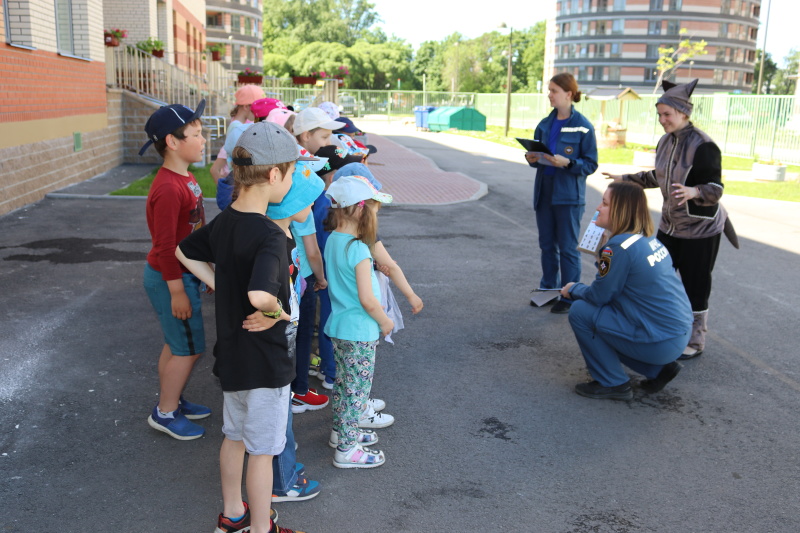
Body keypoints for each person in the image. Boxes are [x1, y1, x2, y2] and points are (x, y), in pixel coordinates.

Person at [176, 121, 310, 533]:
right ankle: (260, 527)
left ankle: (232, 515)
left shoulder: (226, 219)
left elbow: (184, 251)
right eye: (290, 173)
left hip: (232, 357)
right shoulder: (270, 234)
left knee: (234, 437)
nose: (289, 181)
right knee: (264, 452)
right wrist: (278, 312)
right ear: (274, 175)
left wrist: (220, 282)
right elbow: (259, 296)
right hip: (265, 364)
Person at [603, 79, 736, 360]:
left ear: (684, 113)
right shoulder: (666, 141)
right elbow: (657, 176)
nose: (662, 120)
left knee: (695, 285)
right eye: (659, 115)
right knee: (654, 276)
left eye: (667, 115)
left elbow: (717, 190)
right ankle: (656, 327)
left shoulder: (704, 146)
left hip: (701, 230)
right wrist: (624, 179)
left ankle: (696, 340)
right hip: (669, 228)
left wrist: (694, 191)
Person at [562, 182, 693, 400]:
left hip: (661, 340)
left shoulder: (618, 247)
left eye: (604, 203)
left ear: (620, 210)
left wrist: (573, 288)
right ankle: (658, 370)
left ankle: (613, 383)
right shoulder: (645, 239)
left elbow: (599, 295)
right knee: (605, 316)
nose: (597, 208)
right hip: (676, 333)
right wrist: (599, 255)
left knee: (581, 312)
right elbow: (618, 284)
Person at [139, 99, 211, 441]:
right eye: (196, 134)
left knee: (176, 342)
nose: (203, 140)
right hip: (172, 278)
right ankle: (165, 412)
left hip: (187, 273)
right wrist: (178, 290)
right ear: (172, 141)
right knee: (189, 347)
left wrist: (205, 268)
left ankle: (173, 396)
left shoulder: (185, 177)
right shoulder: (168, 188)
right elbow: (166, 246)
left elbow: (195, 230)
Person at [323, 175, 394, 468]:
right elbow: (367, 298)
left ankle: (341, 433)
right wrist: (385, 320)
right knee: (357, 391)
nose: (376, 214)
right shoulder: (359, 249)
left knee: (344, 385)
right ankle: (348, 450)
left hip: (340, 327)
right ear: (359, 209)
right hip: (360, 330)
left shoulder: (333, 241)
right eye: (375, 208)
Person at [525, 73, 598, 314]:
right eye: (549, 90)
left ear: (569, 93)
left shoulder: (584, 127)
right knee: (547, 246)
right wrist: (532, 158)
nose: (550, 94)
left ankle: (569, 296)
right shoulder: (545, 124)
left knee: (567, 248)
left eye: (554, 90)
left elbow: (590, 164)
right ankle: (547, 292)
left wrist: (567, 163)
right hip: (544, 194)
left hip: (568, 198)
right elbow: (537, 159)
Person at [210, 85, 266, 210]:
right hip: (238, 181)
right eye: (256, 107)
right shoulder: (237, 128)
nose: (258, 112)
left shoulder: (237, 124)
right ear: (246, 107)